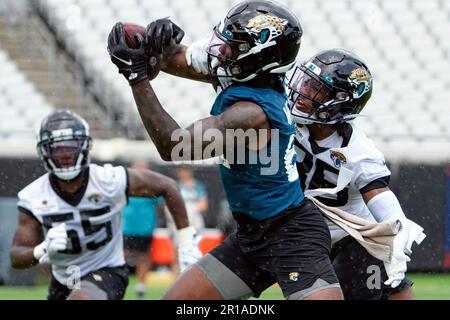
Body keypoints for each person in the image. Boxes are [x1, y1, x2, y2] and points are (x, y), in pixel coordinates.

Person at [108, 0, 343, 300]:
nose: (223, 52)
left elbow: (173, 146)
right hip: (250, 236)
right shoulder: (254, 74)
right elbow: (179, 59)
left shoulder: (252, 114)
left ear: (260, 58)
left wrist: (136, 77)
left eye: (234, 48)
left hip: (291, 234)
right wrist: (154, 43)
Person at [9, 110, 201, 300]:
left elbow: (167, 186)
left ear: (84, 146)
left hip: (107, 270)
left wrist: (186, 242)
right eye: (57, 148)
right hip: (65, 278)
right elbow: (16, 258)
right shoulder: (34, 196)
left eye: (71, 146)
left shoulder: (109, 180)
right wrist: (42, 250)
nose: (65, 154)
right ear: (45, 151)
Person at [287, 48, 425, 299]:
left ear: (339, 101)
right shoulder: (285, 121)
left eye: (314, 89)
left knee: (393, 289)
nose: (303, 93)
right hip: (302, 234)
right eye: (305, 82)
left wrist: (399, 235)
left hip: (352, 238)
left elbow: (384, 204)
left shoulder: (359, 152)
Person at [122, 160, 165, 298]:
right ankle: (119, 281)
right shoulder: (124, 185)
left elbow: (160, 206)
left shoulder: (152, 186)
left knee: (144, 256)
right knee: (122, 255)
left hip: (145, 228)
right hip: (127, 227)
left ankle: (141, 285)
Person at [175, 166, 208, 231]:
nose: (184, 173)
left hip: (195, 220)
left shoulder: (198, 186)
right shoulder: (176, 186)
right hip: (180, 219)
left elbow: (204, 205)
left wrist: (191, 209)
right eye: (182, 171)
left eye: (186, 171)